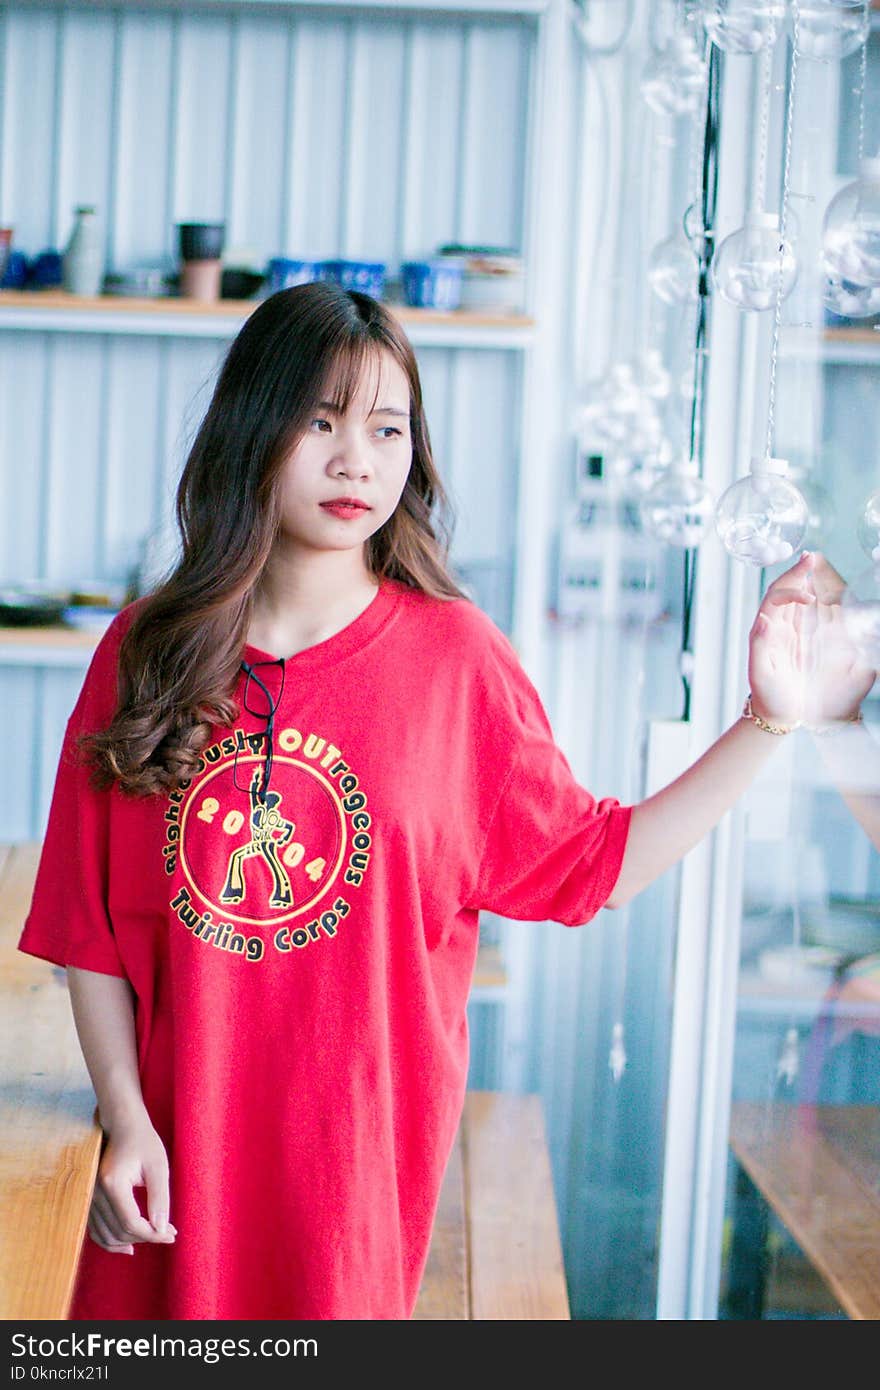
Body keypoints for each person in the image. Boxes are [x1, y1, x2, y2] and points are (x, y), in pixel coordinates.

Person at [16, 282, 869, 1321]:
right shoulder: (145, 653)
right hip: (156, 1191)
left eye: (386, 429)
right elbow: (89, 931)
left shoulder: (456, 664)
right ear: (252, 431)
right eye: (319, 421)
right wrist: (126, 1117)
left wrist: (765, 721)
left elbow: (595, 866)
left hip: (351, 1203)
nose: (354, 461)